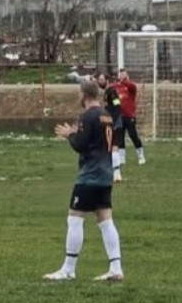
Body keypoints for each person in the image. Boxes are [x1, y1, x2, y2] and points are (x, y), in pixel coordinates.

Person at [45, 79, 124, 282]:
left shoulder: (87, 116)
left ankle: (69, 269)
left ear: (84, 95)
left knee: (74, 218)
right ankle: (116, 267)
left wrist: (70, 135)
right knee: (106, 221)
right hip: (105, 175)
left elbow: (81, 145)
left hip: (90, 175)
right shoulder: (106, 115)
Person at [94, 71, 124, 183]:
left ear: (107, 80)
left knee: (113, 147)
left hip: (115, 123)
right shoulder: (107, 92)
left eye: (101, 80)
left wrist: (113, 120)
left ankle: (116, 173)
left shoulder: (111, 91)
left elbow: (117, 104)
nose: (99, 82)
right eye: (99, 80)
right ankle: (113, 172)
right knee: (110, 148)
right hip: (111, 122)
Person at [111, 68, 145, 166]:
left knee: (133, 135)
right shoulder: (116, 87)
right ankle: (122, 158)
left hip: (130, 115)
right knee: (120, 136)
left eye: (124, 75)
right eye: (121, 75)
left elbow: (130, 86)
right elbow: (114, 98)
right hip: (120, 116)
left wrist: (124, 81)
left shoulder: (131, 86)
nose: (122, 77)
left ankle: (140, 155)